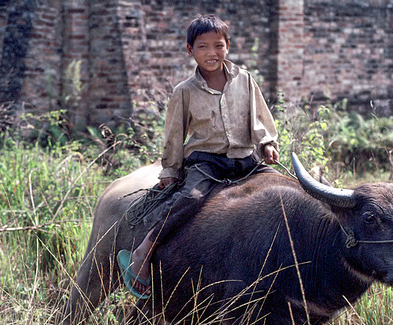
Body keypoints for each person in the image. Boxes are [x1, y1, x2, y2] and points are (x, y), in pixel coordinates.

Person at [117, 14, 280, 299]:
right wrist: (170, 170)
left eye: (218, 45)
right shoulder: (185, 91)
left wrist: (267, 143)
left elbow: (260, 118)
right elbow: (174, 133)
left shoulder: (245, 80)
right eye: (203, 47)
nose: (212, 53)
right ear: (190, 50)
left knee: (286, 193)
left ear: (227, 46)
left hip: (246, 161)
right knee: (189, 199)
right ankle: (144, 250)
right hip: (207, 162)